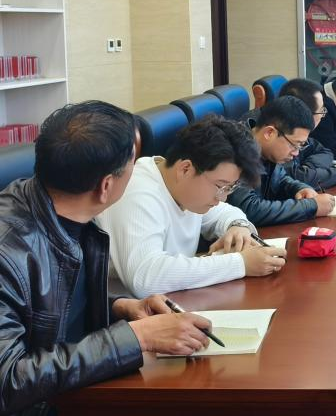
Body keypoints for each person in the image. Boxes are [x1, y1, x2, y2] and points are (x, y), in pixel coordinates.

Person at [0, 101, 215, 414]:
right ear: (106, 186)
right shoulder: (8, 250)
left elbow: (54, 304)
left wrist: (119, 307)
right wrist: (136, 338)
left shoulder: (68, 211)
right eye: (132, 162)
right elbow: (9, 382)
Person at [97, 116, 288, 297]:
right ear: (185, 169)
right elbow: (145, 278)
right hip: (128, 313)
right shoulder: (137, 192)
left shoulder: (184, 187)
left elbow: (224, 213)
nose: (222, 198)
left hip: (177, 302)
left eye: (229, 188)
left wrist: (239, 227)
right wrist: (240, 264)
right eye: (220, 186)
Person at [228, 96, 335, 225]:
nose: (296, 153)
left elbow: (280, 179)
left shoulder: (266, 150)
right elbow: (249, 209)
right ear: (269, 133)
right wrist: (311, 206)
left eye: (300, 146)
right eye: (294, 145)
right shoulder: (235, 151)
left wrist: (299, 188)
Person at [276, 78, 336, 190]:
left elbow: (324, 151)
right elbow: (294, 178)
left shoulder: (300, 132)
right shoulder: (281, 135)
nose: (323, 115)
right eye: (321, 111)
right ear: (305, 113)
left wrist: (308, 169)